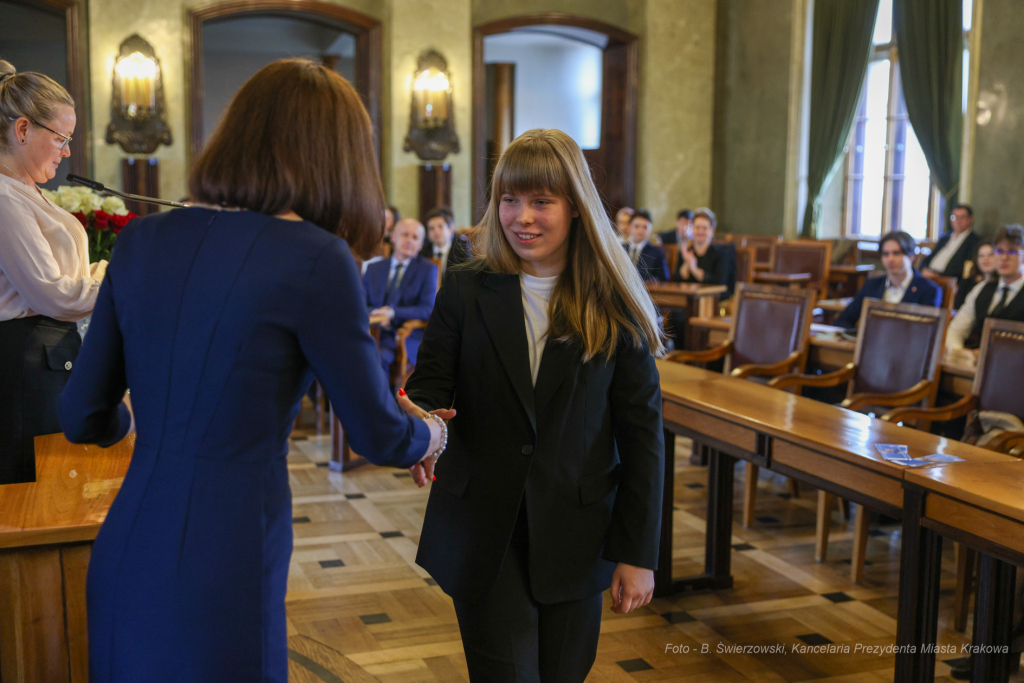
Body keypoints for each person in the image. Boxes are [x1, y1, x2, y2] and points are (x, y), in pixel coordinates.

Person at [57, 59, 448, 683]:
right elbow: (378, 433)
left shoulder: (142, 240)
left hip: (127, 543)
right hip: (228, 554)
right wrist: (434, 434)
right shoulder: (316, 258)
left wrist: (149, 424)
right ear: (337, 157)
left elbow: (81, 414)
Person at [403, 128, 665, 683]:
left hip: (578, 534)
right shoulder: (466, 288)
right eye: (509, 200)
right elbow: (429, 388)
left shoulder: (614, 303)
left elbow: (643, 439)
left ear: (575, 207)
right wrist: (422, 425)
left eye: (541, 201)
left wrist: (638, 553)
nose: (521, 217)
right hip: (482, 528)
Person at [0, 60, 107, 484]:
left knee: (60, 487)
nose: (66, 152)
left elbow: (70, 276)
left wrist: (124, 268)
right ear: (22, 130)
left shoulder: (28, 191)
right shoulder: (6, 198)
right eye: (61, 138)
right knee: (35, 497)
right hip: (27, 361)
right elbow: (53, 294)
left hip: (49, 357)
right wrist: (124, 281)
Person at [365, 218, 438, 380]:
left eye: (415, 237)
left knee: (376, 359)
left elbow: (427, 309)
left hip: (405, 335)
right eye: (405, 235)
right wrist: (376, 314)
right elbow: (360, 303)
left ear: (420, 244)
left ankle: (384, 406)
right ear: (393, 237)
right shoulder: (374, 268)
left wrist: (392, 313)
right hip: (373, 333)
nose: (409, 241)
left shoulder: (427, 269)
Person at [834, 231, 942, 329]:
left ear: (911, 256)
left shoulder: (929, 289)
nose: (890, 259)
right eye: (885, 254)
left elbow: (927, 330)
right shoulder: (872, 285)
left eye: (896, 253)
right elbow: (843, 320)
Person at [947, 224, 1024, 350]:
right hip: (973, 362)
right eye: (999, 251)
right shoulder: (981, 289)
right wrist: (961, 355)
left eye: (1012, 251)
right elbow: (956, 331)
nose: (1004, 257)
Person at [665, 207, 730, 348]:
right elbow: (677, 281)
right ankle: (681, 356)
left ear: (712, 230)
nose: (700, 231)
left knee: (691, 319)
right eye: (697, 227)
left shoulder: (721, 253)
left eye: (705, 228)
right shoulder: (687, 251)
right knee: (676, 318)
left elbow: (719, 282)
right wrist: (686, 265)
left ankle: (695, 358)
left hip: (712, 302)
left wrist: (694, 268)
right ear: (692, 229)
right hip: (688, 301)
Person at [920, 204, 981, 290]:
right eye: (955, 217)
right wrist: (924, 269)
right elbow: (928, 258)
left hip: (947, 283)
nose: (958, 221)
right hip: (928, 277)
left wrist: (939, 276)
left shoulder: (975, 242)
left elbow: (966, 269)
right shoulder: (945, 237)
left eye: (962, 217)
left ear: (970, 219)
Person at [624, 209, 669, 282]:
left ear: (650, 229)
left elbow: (663, 277)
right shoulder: (620, 248)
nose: (640, 230)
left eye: (645, 227)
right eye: (637, 226)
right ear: (629, 227)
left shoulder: (656, 252)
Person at [954, 238, 998, 308]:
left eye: (990, 255)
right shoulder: (967, 283)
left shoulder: (1003, 284)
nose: (986, 259)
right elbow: (957, 308)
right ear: (976, 260)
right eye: (981, 255)